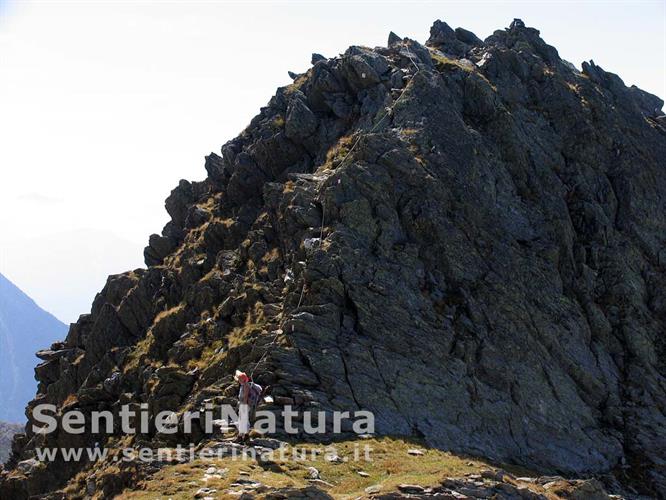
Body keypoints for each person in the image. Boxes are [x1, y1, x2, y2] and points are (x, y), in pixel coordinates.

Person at [234, 370, 262, 443]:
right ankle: (245, 436)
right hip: (245, 405)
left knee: (242, 420)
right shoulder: (244, 385)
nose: (238, 380)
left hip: (245, 405)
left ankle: (241, 436)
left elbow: (245, 396)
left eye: (239, 379)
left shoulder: (246, 386)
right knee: (243, 420)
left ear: (242, 380)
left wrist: (243, 406)